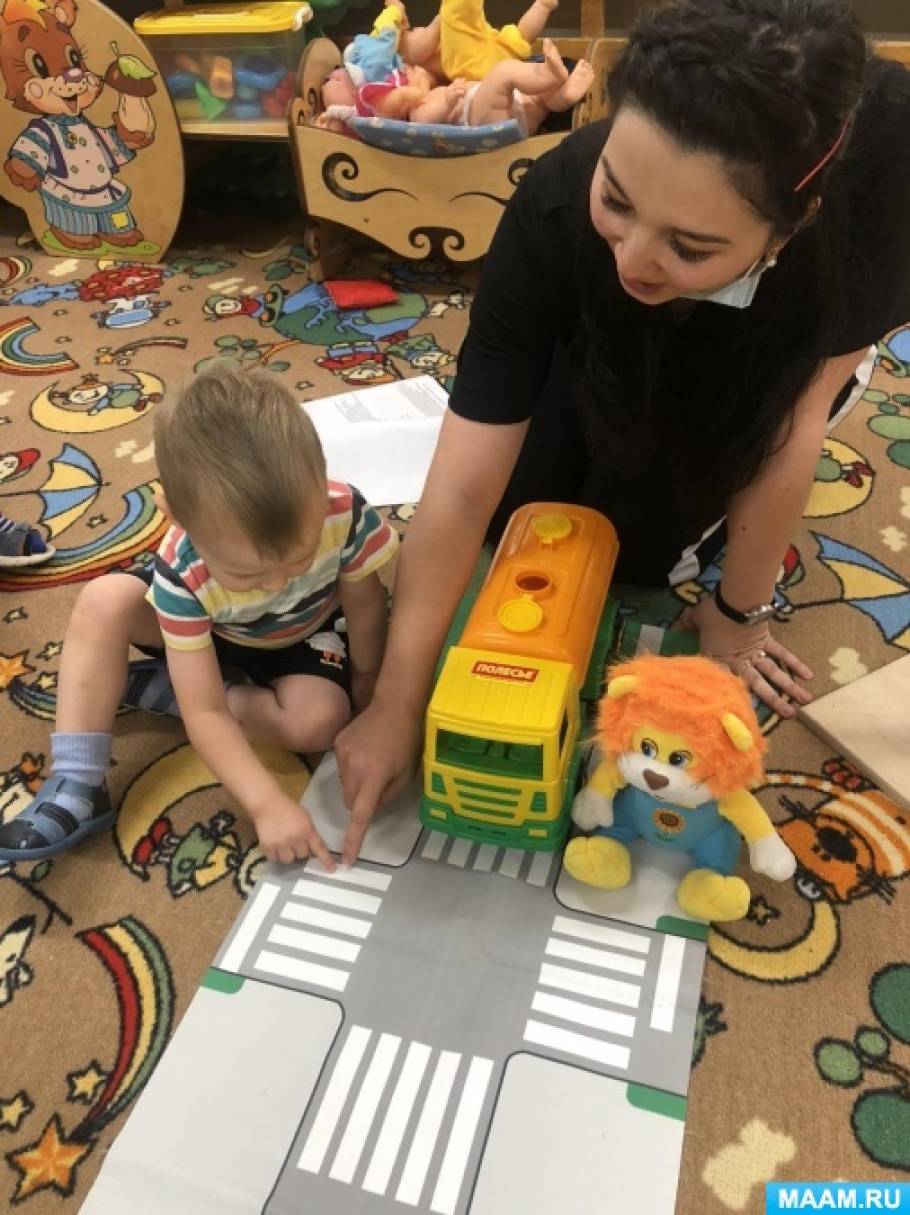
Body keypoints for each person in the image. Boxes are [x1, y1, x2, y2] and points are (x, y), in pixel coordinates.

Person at [334, 0, 910, 865]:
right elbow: (463, 477)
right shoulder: (558, 202)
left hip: (775, 346)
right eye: (619, 200)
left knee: (640, 555)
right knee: (524, 520)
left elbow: (788, 429)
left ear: (789, 227)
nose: (635, 256)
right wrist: (396, 703)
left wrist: (738, 616)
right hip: (610, 325)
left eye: (690, 244)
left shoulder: (866, 211)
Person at [0, 366, 398, 866]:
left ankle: (161, 689)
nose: (277, 583)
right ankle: (78, 780)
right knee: (104, 601)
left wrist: (368, 678)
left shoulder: (343, 512)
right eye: (249, 571)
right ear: (176, 516)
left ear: (321, 486)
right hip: (203, 627)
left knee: (317, 723)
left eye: (299, 558)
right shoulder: (182, 569)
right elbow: (206, 715)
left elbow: (365, 604)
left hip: (304, 632)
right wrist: (267, 804)